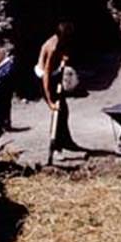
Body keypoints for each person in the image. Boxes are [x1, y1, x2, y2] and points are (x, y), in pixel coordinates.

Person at [34, 22, 83, 153]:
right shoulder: (53, 48)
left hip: (53, 74)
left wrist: (62, 58)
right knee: (58, 112)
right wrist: (50, 101)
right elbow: (46, 76)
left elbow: (61, 53)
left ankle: (66, 142)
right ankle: (56, 146)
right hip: (44, 78)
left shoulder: (58, 41)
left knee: (63, 111)